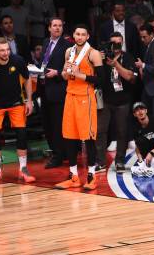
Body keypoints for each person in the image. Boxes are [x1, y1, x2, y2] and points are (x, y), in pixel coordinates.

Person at [55, 25, 104, 191]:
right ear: (73, 35)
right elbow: (64, 74)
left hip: (86, 98)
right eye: (77, 34)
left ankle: (91, 176)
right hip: (70, 96)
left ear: (88, 36)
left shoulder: (93, 53)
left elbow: (101, 80)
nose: (80, 37)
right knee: (69, 136)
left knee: (88, 137)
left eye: (83, 34)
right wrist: (65, 72)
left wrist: (78, 74)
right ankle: (73, 176)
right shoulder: (69, 52)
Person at [0, 37, 35, 184]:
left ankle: (23, 169)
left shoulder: (18, 61)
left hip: (16, 102)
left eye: (7, 49)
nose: (5, 53)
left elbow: (27, 79)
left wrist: (29, 100)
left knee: (21, 134)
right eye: (2, 50)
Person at [96, 32, 136, 172]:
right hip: (105, 100)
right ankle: (100, 162)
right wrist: (99, 60)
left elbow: (130, 77)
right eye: (113, 43)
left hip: (123, 101)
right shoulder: (101, 57)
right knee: (100, 131)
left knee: (122, 132)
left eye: (119, 42)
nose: (116, 45)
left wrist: (115, 64)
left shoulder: (128, 57)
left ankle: (119, 161)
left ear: (123, 42)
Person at [40, 18, 70, 168]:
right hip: (45, 89)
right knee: (48, 124)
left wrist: (57, 73)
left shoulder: (67, 45)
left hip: (59, 90)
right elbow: (45, 63)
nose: (57, 28)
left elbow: (70, 69)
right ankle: (58, 153)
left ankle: (58, 156)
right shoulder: (46, 42)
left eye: (60, 26)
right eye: (55, 26)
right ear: (49, 28)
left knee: (57, 125)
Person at [136, 24, 154, 120]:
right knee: (149, 118)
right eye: (141, 37)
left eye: (144, 37)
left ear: (152, 34)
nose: (142, 40)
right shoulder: (149, 45)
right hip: (149, 88)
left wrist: (143, 65)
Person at [130, 102, 154, 177]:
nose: (140, 112)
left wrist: (152, 153)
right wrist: (141, 162)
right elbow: (137, 146)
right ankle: (147, 167)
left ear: (146, 111)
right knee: (140, 141)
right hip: (146, 151)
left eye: (142, 109)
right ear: (134, 114)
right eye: (137, 110)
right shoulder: (134, 127)